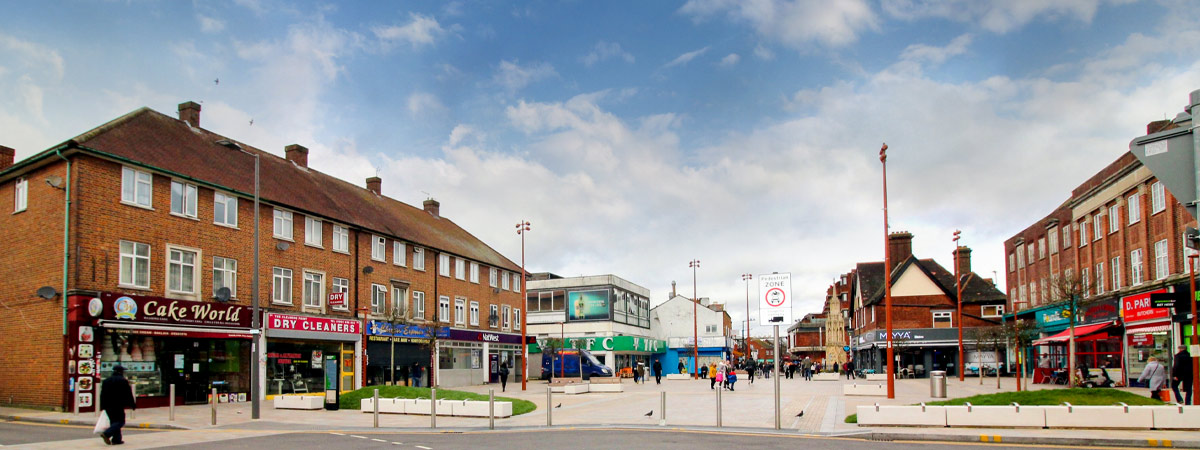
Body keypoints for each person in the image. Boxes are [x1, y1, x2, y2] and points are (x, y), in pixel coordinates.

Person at [99, 365, 135, 446]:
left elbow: (102, 394)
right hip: (118, 405)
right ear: (121, 372)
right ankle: (107, 434)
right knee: (120, 421)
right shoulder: (123, 381)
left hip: (108, 405)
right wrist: (132, 404)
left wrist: (102, 406)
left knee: (114, 422)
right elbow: (128, 393)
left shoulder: (106, 381)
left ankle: (117, 439)